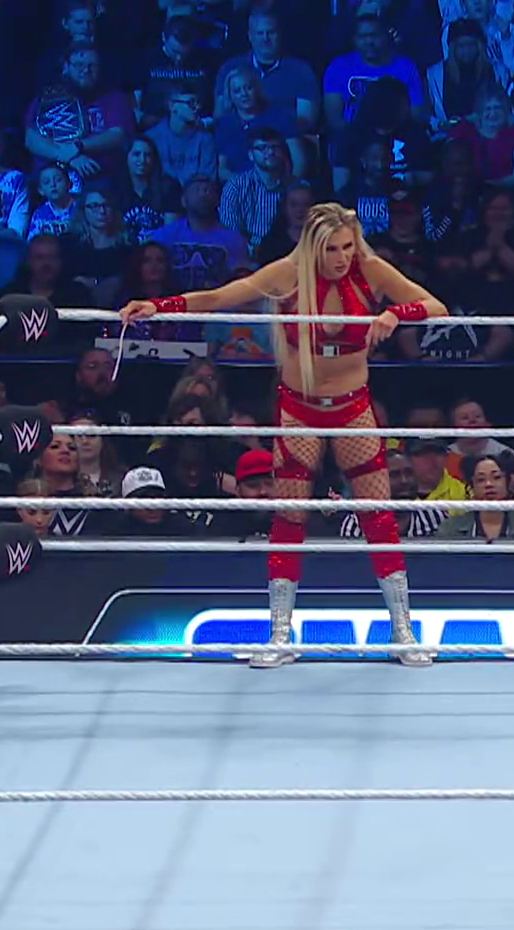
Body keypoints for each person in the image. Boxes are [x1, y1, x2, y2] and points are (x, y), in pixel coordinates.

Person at [120, 203, 448, 668]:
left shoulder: (370, 270)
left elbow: (436, 306)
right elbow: (221, 296)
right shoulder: (288, 275)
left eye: (347, 247)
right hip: (299, 409)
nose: (341, 258)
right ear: (312, 247)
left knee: (378, 516)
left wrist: (397, 313)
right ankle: (279, 635)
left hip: (353, 407)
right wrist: (158, 307)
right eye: (331, 249)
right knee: (289, 518)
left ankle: (403, 632)